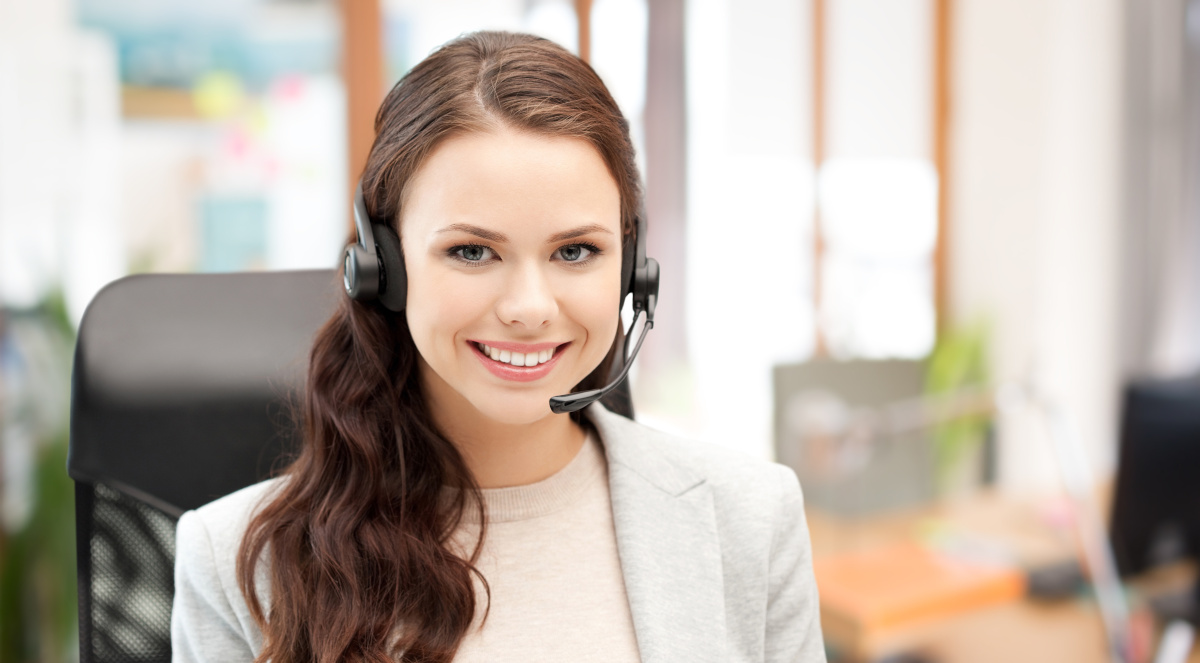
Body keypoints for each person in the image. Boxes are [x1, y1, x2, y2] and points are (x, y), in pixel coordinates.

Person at [170, 31, 825, 663]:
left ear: (631, 269)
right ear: (383, 266)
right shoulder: (237, 562)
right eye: (472, 251)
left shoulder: (751, 520)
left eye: (576, 251)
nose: (530, 308)